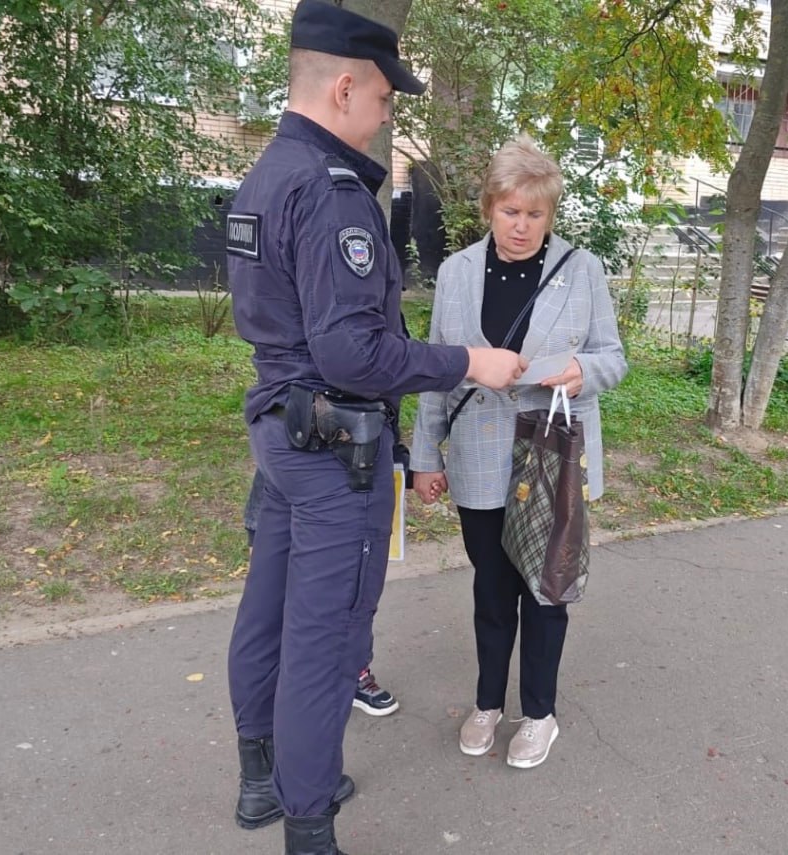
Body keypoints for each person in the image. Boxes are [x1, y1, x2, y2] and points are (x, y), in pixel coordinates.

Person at [223, 2, 526, 852]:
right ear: (347, 85)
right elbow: (355, 353)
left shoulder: (267, 174)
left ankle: (262, 782)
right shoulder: (333, 195)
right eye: (387, 100)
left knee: (268, 612)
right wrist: (469, 361)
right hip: (331, 451)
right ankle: (308, 822)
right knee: (323, 641)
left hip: (280, 433)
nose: (388, 114)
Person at [410, 135, 627, 771]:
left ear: (550, 214)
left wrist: (581, 371)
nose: (522, 226)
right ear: (488, 208)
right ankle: (486, 703)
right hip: (478, 458)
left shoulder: (582, 270)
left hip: (551, 455)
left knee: (546, 589)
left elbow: (614, 358)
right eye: (511, 212)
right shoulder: (453, 274)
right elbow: (436, 375)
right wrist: (426, 456)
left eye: (536, 213)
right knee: (491, 589)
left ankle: (539, 714)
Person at [243, 470, 398, 716]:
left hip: (356, 484)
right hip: (291, 493)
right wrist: (257, 531)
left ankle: (353, 671)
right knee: (278, 603)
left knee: (354, 591)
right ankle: (282, 686)